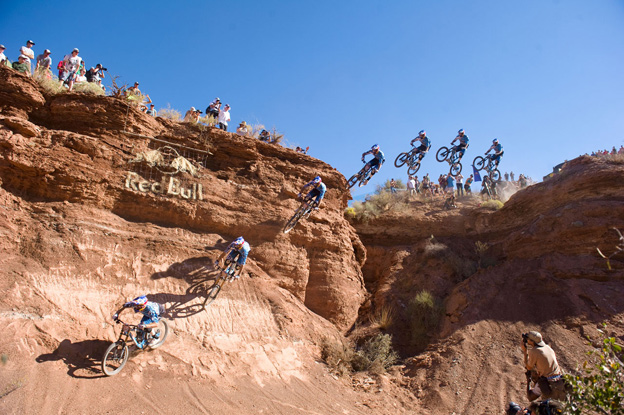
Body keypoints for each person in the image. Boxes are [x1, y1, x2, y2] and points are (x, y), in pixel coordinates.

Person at [521, 331, 566, 401]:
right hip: (559, 379)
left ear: (532, 341)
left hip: (548, 381)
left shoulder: (534, 351)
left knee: (531, 396)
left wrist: (525, 351)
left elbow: (529, 367)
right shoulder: (548, 347)